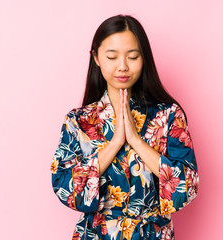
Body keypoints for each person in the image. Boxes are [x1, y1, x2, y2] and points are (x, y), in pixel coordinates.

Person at [51, 14, 199, 240]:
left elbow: (187, 187)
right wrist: (115, 143)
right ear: (97, 57)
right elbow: (65, 188)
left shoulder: (169, 116)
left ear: (144, 58)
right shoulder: (78, 121)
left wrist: (137, 142)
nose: (122, 67)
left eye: (133, 56)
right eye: (112, 57)